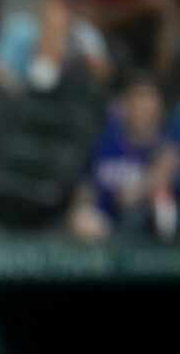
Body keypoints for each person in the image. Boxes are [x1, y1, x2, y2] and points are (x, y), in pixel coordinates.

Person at [69, 75, 165, 242]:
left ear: (158, 107)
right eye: (136, 99)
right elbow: (86, 186)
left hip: (144, 238)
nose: (141, 107)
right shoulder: (105, 144)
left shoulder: (164, 152)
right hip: (98, 231)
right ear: (126, 105)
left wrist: (140, 193)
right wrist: (81, 209)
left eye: (147, 100)